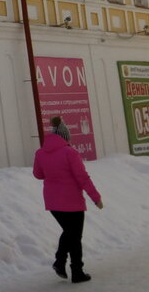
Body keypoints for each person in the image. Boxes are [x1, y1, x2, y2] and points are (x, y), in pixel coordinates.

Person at [33, 115, 103, 283]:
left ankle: (60, 262)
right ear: (65, 137)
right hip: (72, 202)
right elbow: (82, 178)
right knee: (74, 235)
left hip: (53, 203)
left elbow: (38, 174)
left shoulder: (40, 153)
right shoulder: (70, 153)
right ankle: (76, 271)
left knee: (69, 233)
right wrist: (96, 198)